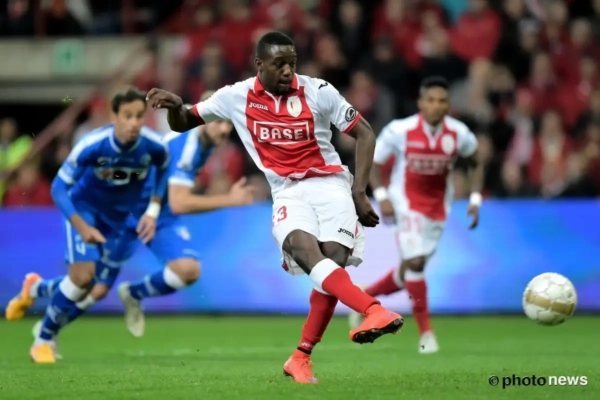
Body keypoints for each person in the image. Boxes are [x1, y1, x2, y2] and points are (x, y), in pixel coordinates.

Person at [146, 31, 404, 384]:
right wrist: (177, 107)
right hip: (287, 191)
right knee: (303, 250)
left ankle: (301, 357)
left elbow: (366, 133)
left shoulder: (318, 91)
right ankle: (373, 309)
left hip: (330, 184)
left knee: (332, 263)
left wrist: (360, 191)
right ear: (260, 64)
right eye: (279, 64)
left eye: (292, 64)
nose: (287, 71)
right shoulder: (235, 96)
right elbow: (184, 123)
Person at [9, 92, 256, 354]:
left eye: (227, 122)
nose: (224, 129)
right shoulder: (187, 145)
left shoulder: (202, 144)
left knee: (186, 270)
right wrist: (229, 200)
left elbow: (161, 172)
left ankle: (132, 294)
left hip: (152, 212)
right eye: (218, 121)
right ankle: (44, 318)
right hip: (134, 212)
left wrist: (153, 208)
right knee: (92, 286)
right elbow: (179, 201)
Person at [5, 87, 171, 364]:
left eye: (139, 116)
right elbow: (59, 188)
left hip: (119, 221)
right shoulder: (92, 145)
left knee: (93, 287)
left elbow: (164, 168)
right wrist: (82, 227)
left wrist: (153, 211)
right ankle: (43, 340)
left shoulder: (153, 146)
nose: (133, 123)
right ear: (114, 117)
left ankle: (34, 289)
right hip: (85, 212)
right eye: (127, 116)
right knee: (82, 278)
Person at [348, 76, 485, 354]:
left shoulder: (458, 133)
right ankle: (426, 334)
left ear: (448, 105)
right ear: (421, 103)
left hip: (438, 208)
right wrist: (382, 196)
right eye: (430, 100)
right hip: (404, 202)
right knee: (416, 262)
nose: (436, 105)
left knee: (409, 269)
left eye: (442, 101)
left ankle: (365, 296)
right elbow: (374, 160)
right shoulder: (401, 130)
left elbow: (476, 161)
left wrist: (475, 198)